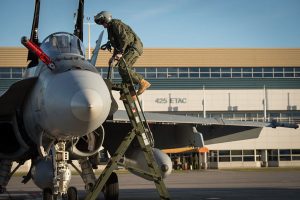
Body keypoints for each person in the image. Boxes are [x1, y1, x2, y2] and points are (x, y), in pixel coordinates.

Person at [94, 11, 151, 100]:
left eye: (102, 22)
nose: (102, 25)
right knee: (123, 71)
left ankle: (142, 82)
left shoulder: (116, 24)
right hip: (128, 48)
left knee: (123, 66)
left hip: (133, 47)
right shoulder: (110, 29)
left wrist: (120, 53)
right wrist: (114, 57)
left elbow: (124, 38)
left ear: (106, 19)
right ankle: (131, 93)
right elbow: (117, 45)